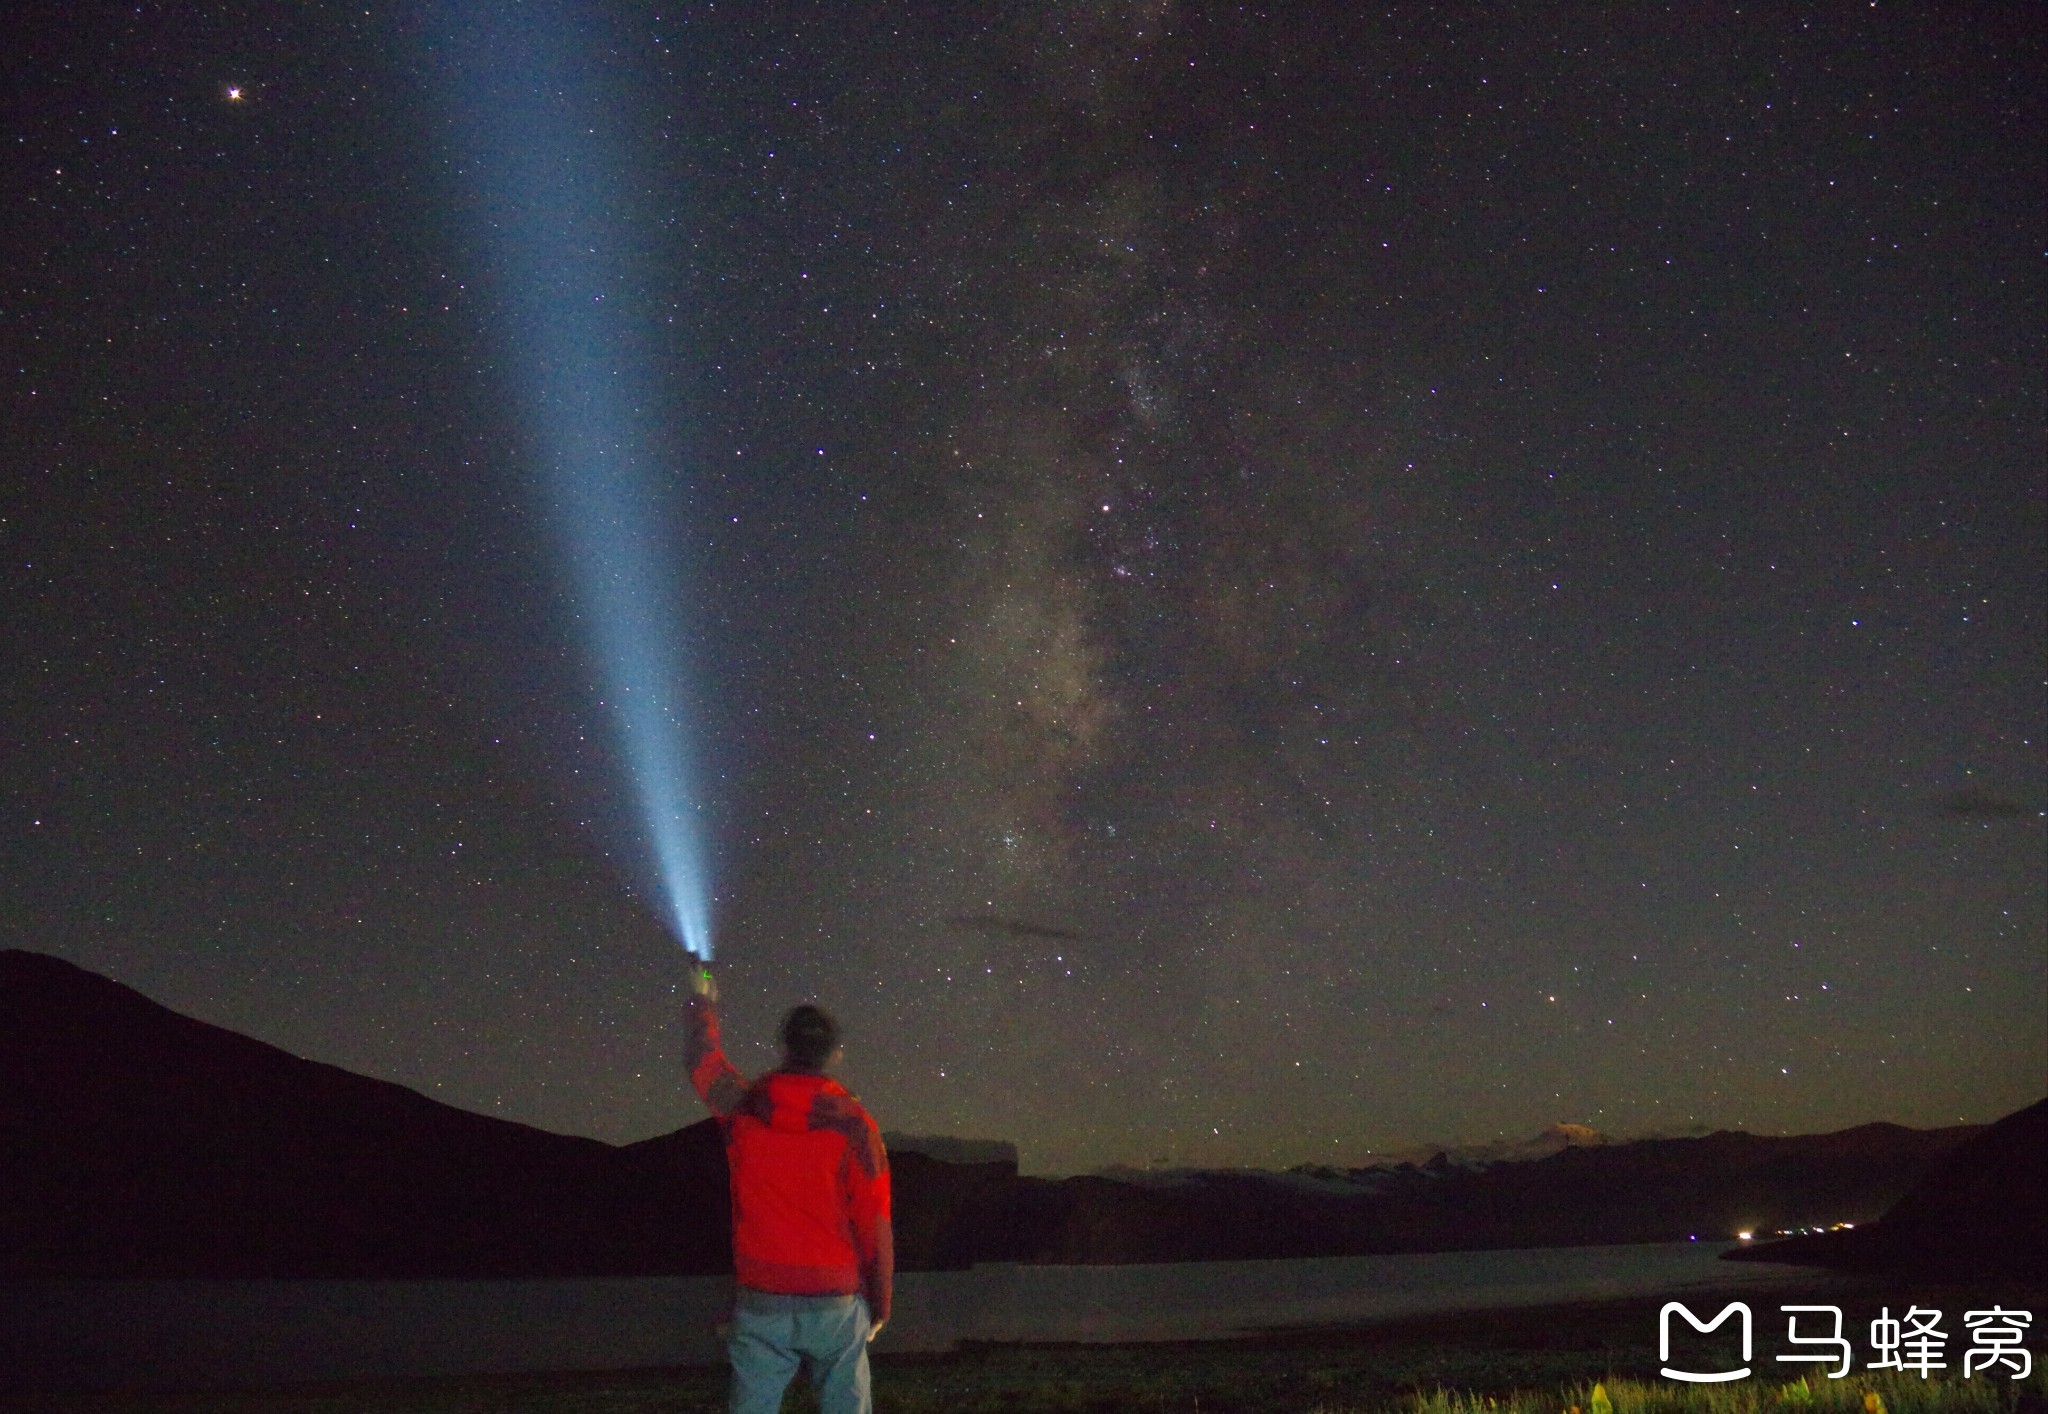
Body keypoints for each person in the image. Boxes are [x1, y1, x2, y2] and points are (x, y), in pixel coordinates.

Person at [683, 960, 892, 1414]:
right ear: (834, 1054)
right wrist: (880, 1304)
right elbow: (873, 1218)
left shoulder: (743, 1108)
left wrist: (704, 1002)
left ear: (784, 1046)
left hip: (762, 1294)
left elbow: (702, 1061)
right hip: (835, 1297)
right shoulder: (855, 1126)